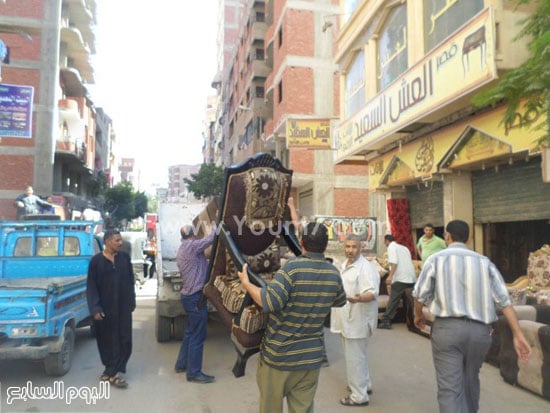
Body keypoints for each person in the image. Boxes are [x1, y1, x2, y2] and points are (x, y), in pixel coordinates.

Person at [413, 220, 531, 412]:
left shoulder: (435, 259)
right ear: (468, 238)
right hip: (479, 333)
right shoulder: (485, 263)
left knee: (449, 388)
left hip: (447, 330)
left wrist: (417, 315)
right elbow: (505, 302)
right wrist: (518, 334)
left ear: (447, 237)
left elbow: (419, 295)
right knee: (470, 381)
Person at [237, 222, 347, 413]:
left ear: (301, 242)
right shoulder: (333, 273)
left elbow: (269, 302)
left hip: (279, 358)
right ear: (326, 246)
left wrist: (246, 283)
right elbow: (340, 301)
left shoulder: (292, 268)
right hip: (310, 360)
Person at [87, 229, 136, 388]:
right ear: (107, 241)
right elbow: (91, 286)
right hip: (104, 309)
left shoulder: (124, 258)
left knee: (125, 339)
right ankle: (112, 371)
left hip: (123, 308)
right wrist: (95, 308)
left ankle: (115, 370)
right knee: (107, 340)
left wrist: (132, 301)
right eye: (117, 240)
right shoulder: (96, 261)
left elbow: (130, 281)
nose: (120, 243)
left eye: (120, 240)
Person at [338, 234, 380, 407]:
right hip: (349, 319)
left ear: (361, 247)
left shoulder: (365, 268)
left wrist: (359, 298)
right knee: (358, 356)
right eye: (347, 246)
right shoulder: (345, 264)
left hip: (358, 320)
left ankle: (358, 396)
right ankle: (365, 384)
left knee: (355, 358)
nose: (350, 250)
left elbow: (372, 293)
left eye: (353, 247)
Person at [174, 224, 216, 383]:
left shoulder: (184, 249)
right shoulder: (190, 246)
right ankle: (194, 373)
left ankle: (181, 364)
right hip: (195, 297)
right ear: (193, 235)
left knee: (190, 332)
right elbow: (211, 238)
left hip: (189, 296)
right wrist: (217, 223)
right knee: (198, 335)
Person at [378, 234, 416, 329]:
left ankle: (386, 321)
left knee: (394, 299)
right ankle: (408, 319)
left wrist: (390, 276)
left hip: (401, 278)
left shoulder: (391, 247)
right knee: (408, 300)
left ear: (386, 241)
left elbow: (394, 262)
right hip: (411, 278)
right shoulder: (404, 248)